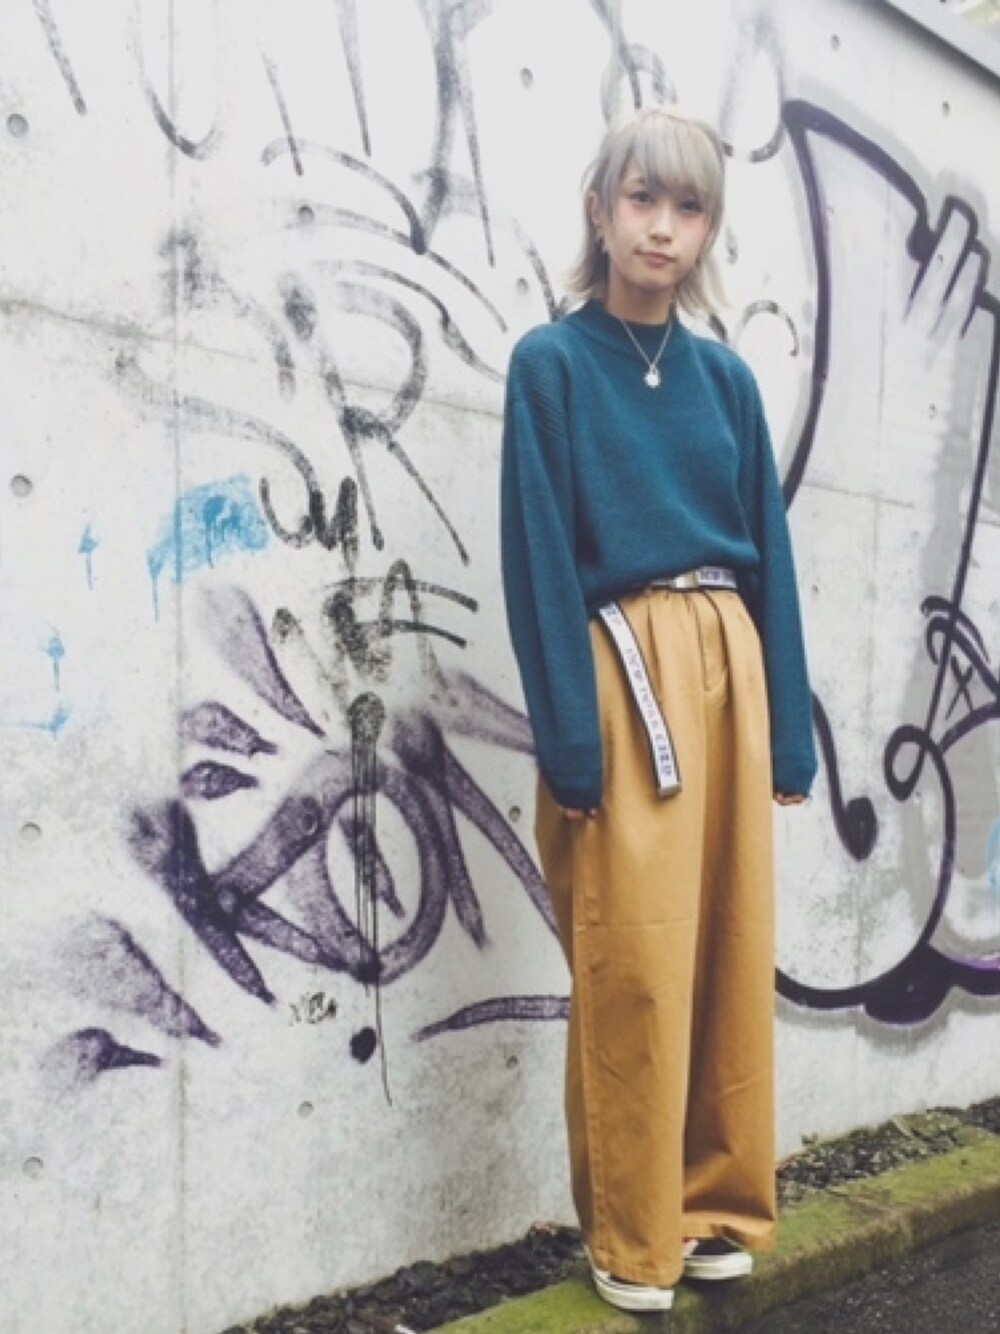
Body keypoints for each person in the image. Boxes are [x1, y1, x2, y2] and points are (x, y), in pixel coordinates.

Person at [499, 106, 816, 1314]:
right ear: (600, 209)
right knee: (632, 958)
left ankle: (715, 1204)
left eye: (688, 207)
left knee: (727, 947)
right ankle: (633, 1233)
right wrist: (568, 742)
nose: (663, 227)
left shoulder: (724, 380)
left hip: (727, 659)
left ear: (707, 228)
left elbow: (769, 552)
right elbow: (538, 556)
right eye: (642, 199)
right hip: (621, 670)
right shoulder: (552, 364)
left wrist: (789, 726)